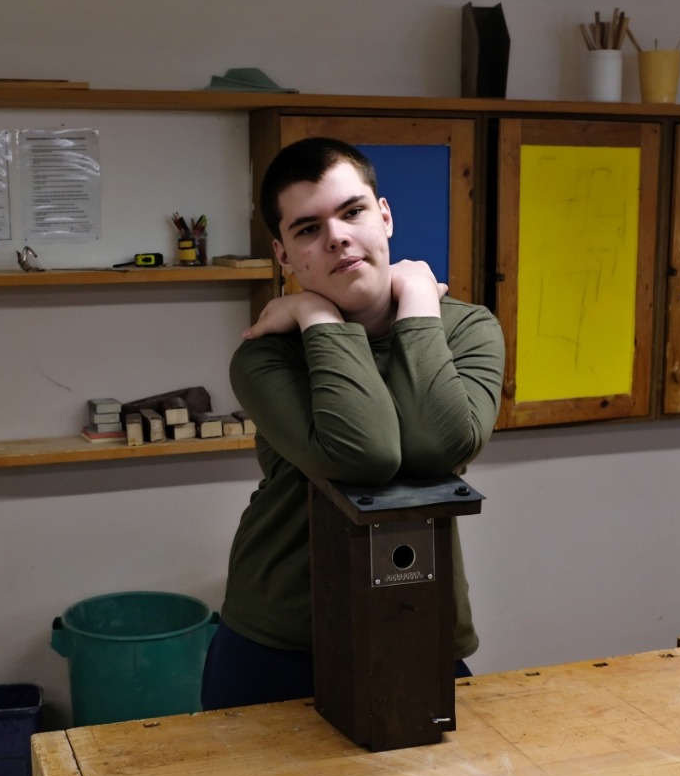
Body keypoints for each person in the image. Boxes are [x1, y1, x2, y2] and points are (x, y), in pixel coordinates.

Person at [200, 137, 505, 711]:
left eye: (352, 211)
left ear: (384, 216)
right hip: (281, 635)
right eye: (307, 228)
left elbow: (439, 447)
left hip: (420, 614)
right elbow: (363, 455)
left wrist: (418, 304)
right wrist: (318, 315)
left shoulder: (466, 330)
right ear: (283, 255)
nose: (337, 236)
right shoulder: (268, 354)